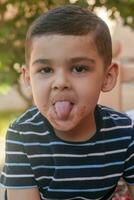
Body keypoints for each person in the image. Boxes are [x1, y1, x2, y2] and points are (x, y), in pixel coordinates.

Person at [0, 5, 134, 200]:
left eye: (79, 68)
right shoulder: (22, 136)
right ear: (28, 78)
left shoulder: (123, 133)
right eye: (45, 70)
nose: (61, 83)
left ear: (108, 76)